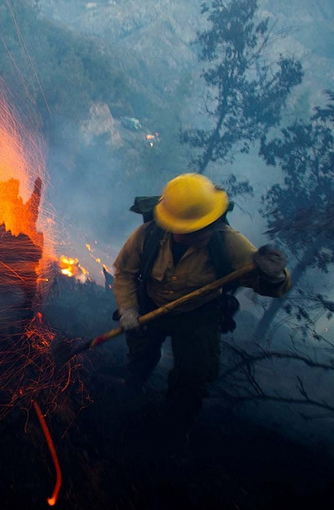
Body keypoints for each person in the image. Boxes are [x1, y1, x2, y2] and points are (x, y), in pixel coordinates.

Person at [112, 174, 292, 436]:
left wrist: (275, 275)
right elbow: (125, 273)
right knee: (141, 355)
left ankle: (175, 427)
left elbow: (275, 287)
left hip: (199, 315)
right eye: (196, 230)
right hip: (153, 304)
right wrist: (129, 309)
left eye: (209, 225)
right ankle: (130, 391)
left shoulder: (228, 242)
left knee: (193, 376)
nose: (206, 232)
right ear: (174, 227)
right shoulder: (149, 235)